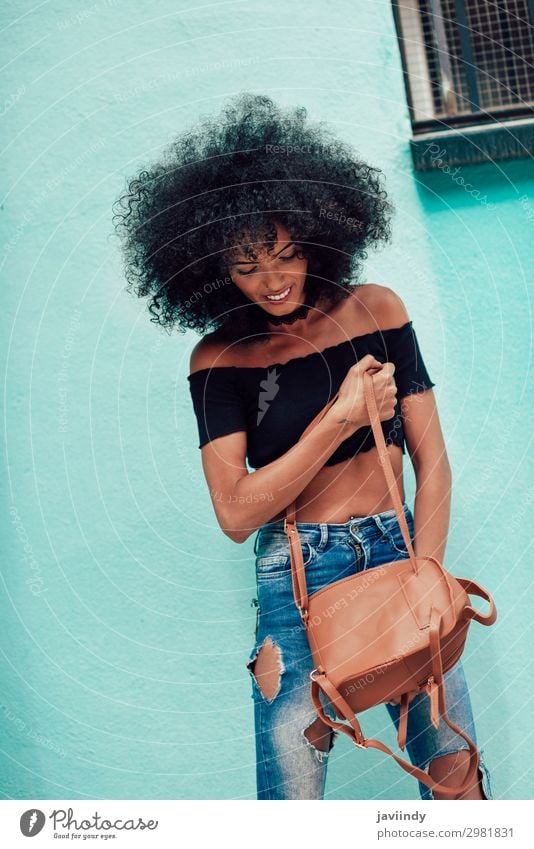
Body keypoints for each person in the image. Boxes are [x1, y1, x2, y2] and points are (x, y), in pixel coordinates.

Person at [113, 93, 493, 801]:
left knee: (457, 787)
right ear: (211, 266)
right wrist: (341, 416)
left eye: (286, 254)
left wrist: (426, 576)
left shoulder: (376, 309)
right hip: (296, 575)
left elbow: (432, 462)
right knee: (292, 804)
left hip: (399, 549)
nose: (274, 278)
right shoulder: (218, 359)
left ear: (317, 234)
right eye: (248, 266)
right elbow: (234, 513)